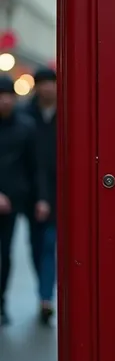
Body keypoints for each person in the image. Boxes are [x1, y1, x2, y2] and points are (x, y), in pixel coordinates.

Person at [0, 75, 50, 325]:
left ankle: (39, 298)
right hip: (2, 199)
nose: (5, 100)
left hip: (23, 198)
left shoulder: (26, 126)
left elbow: (36, 166)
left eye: (8, 95)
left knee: (29, 250)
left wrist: (42, 198)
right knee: (2, 254)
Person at [24, 67, 57, 324]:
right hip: (31, 191)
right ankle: (43, 293)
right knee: (36, 246)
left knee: (48, 245)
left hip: (60, 191)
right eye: (43, 83)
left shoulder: (68, 110)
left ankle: (46, 297)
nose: (48, 88)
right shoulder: (26, 114)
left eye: (51, 83)